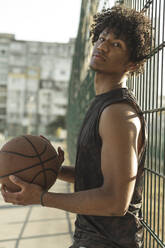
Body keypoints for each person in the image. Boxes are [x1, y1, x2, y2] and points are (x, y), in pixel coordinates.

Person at [1, 6, 152, 248]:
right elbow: (102, 180)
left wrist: (41, 197)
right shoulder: (103, 103)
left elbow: (115, 201)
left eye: (116, 45)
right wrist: (53, 169)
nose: (103, 46)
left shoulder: (118, 113)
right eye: (102, 38)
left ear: (132, 64)